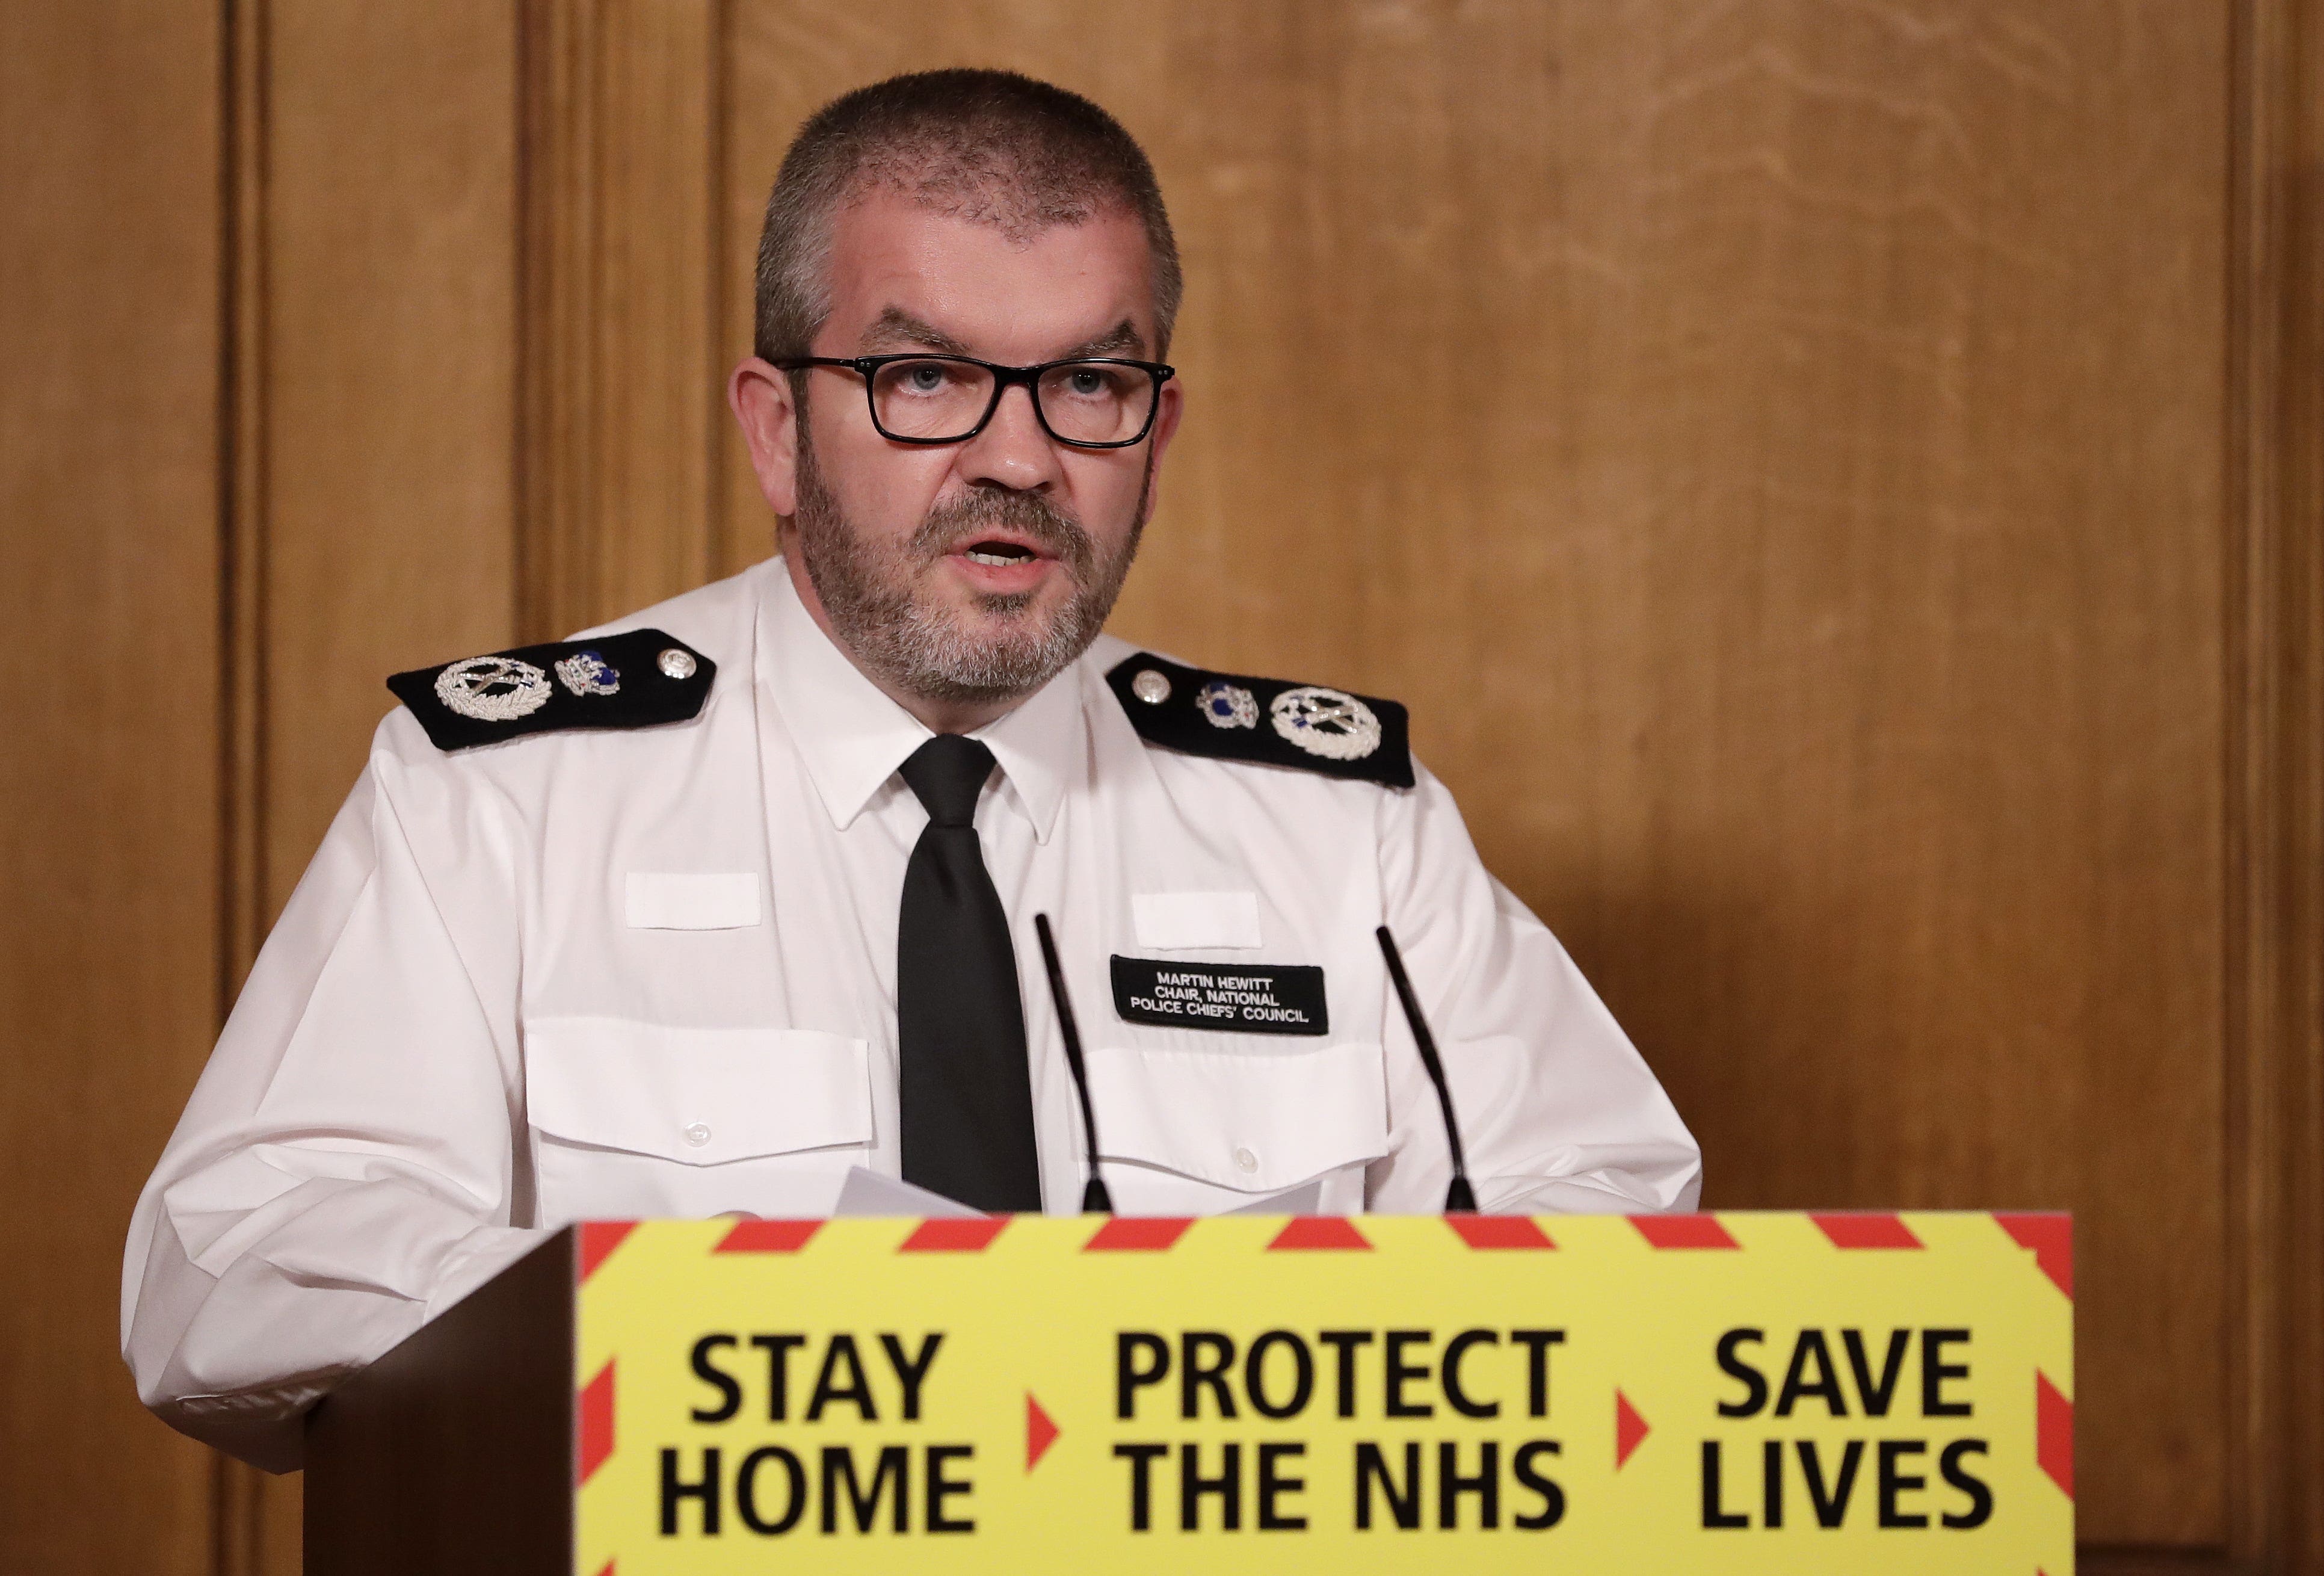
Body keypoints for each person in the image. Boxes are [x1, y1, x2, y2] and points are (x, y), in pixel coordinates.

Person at [123, 68, 1699, 1472]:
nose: (1018, 456)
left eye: (1090, 381)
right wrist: (707, 1331)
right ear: (772, 430)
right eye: (926, 377)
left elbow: (1611, 1241)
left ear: (1154, 433)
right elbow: (230, 1269)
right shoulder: (504, 796)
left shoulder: (1342, 830)